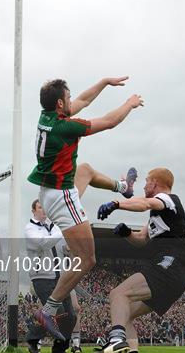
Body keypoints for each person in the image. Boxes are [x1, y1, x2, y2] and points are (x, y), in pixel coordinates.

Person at [27, 77, 143, 338]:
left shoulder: (46, 116)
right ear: (60, 103)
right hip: (61, 197)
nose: (72, 101)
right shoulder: (65, 127)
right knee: (87, 258)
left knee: (86, 170)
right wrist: (130, 103)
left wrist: (104, 82)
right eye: (68, 98)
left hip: (51, 191)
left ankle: (123, 187)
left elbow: (83, 100)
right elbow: (110, 122)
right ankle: (48, 310)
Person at [88, 168, 185, 353]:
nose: (144, 186)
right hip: (174, 272)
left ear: (155, 184)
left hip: (170, 264)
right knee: (124, 312)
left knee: (118, 294)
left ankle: (116, 338)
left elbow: (146, 203)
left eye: (147, 182)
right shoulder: (156, 218)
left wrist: (116, 204)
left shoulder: (167, 199)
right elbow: (141, 240)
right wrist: (126, 233)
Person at [24, 199, 76, 353]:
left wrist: (69, 248)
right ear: (33, 210)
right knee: (57, 314)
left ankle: (59, 349)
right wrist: (63, 229)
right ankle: (32, 337)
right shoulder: (30, 229)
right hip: (43, 278)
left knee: (71, 316)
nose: (43, 210)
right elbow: (45, 244)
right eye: (40, 208)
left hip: (60, 277)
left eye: (45, 207)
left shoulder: (54, 228)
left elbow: (61, 249)